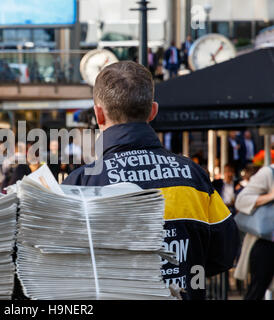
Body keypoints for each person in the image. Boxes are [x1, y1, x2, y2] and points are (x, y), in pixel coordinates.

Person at [62, 61, 239, 300]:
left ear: (98, 114)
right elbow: (225, 254)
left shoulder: (81, 183)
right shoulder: (193, 177)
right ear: (153, 111)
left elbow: (60, 265)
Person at [234, 164, 274, 300]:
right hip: (266, 241)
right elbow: (241, 200)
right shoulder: (269, 173)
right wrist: (270, 196)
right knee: (257, 291)